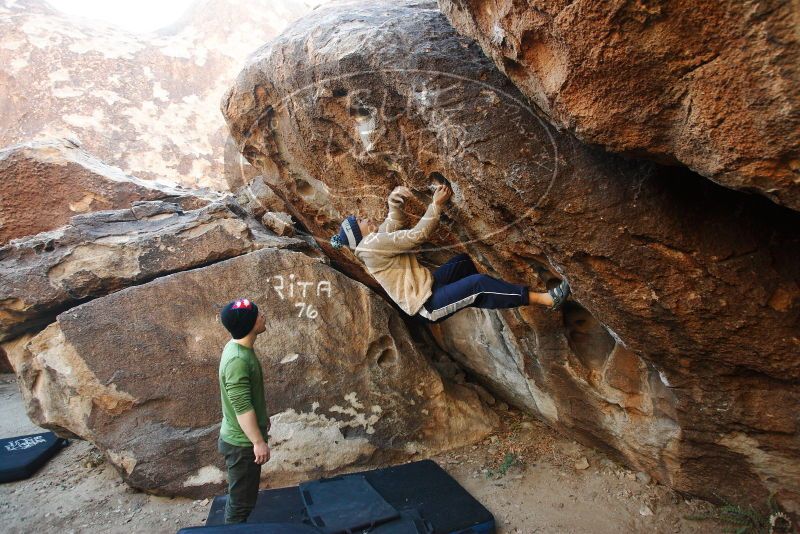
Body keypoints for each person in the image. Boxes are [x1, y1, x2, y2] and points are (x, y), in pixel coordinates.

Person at [330, 181, 570, 323]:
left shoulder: (371, 243)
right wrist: (436, 205)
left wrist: (394, 203)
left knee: (463, 263)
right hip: (428, 304)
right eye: (359, 220)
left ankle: (488, 296)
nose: (364, 218)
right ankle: (546, 300)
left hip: (431, 286)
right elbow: (416, 236)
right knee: (477, 283)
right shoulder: (371, 246)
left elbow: (390, 226)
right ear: (358, 234)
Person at [217, 298, 270, 523]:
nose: (263, 316)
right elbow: (241, 406)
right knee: (240, 507)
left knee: (241, 500)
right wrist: (258, 442)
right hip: (242, 445)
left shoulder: (236, 347)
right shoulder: (238, 359)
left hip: (240, 439)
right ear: (249, 324)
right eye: (258, 315)